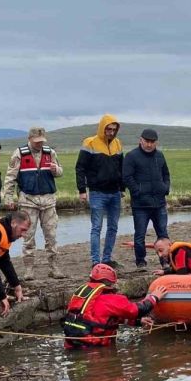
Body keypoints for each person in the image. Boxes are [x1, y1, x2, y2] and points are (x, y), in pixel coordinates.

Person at [2, 127, 65, 280]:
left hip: (48, 200)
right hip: (28, 201)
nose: (39, 144)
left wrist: (56, 169)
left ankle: (54, 268)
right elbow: (10, 177)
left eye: (41, 141)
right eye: (36, 141)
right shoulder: (19, 154)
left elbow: (60, 172)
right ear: (29, 139)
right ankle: (29, 270)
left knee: (51, 236)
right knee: (28, 237)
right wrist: (8, 198)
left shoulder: (50, 153)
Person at [62, 263, 167, 349]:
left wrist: (138, 322)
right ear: (111, 283)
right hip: (95, 350)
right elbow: (139, 310)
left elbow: (101, 318)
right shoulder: (112, 299)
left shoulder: (82, 295)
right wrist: (154, 297)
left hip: (72, 344)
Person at [75, 114, 125, 268]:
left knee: (113, 227)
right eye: (108, 129)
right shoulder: (90, 143)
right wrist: (82, 190)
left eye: (113, 130)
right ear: (102, 128)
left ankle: (107, 258)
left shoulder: (118, 144)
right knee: (96, 227)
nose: (110, 132)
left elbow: (121, 168)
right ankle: (96, 261)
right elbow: (80, 167)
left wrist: (122, 188)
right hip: (97, 192)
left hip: (115, 193)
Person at [122, 128, 170, 269]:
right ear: (140, 140)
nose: (149, 144)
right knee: (140, 235)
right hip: (140, 205)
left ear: (156, 142)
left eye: (152, 142)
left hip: (159, 203)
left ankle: (165, 261)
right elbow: (127, 177)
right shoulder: (131, 156)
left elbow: (166, 174)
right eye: (147, 141)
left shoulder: (160, 156)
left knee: (163, 234)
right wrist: (137, 191)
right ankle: (141, 262)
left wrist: (165, 188)